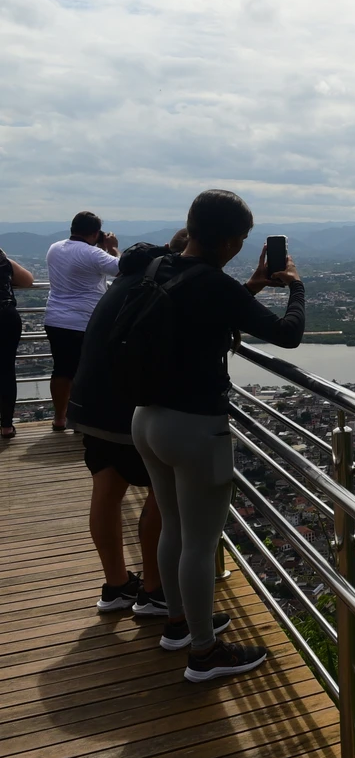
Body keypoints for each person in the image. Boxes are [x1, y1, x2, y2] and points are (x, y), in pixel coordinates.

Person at [132, 191, 305, 682]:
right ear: (230, 239)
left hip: (146, 418)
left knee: (173, 527)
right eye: (243, 240)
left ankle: (178, 625)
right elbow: (287, 334)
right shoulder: (213, 283)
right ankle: (204, 654)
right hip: (194, 428)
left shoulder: (160, 269)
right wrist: (296, 288)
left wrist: (248, 286)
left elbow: (197, 314)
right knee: (201, 543)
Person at [68, 229, 190, 613]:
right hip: (129, 407)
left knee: (106, 490)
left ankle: (117, 584)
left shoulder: (131, 274)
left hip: (90, 400)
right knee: (162, 496)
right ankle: (155, 590)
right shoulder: (174, 280)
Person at [44, 212, 121, 431]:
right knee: (87, 371)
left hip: (55, 319)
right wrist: (113, 247)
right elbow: (123, 269)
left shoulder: (54, 247)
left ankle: (59, 418)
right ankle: (82, 421)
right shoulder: (94, 254)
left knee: (61, 370)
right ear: (96, 233)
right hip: (85, 321)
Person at [0, 248, 35, 439]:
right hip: (5, 315)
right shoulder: (2, 260)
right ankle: (6, 425)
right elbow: (27, 280)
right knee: (6, 371)